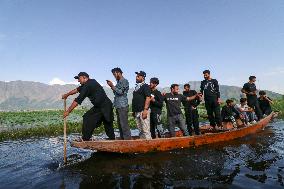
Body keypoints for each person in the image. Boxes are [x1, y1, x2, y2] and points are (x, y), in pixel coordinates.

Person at [62, 72, 115, 141]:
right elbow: (77, 90)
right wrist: (67, 94)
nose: (78, 81)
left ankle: (86, 139)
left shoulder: (88, 85)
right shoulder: (89, 83)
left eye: (79, 78)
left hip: (105, 106)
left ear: (84, 77)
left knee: (103, 122)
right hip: (100, 106)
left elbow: (78, 100)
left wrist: (68, 111)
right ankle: (110, 139)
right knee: (91, 118)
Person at [106, 67, 132, 140]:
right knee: (120, 124)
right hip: (118, 106)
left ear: (119, 73)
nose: (114, 76)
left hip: (123, 105)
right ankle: (123, 140)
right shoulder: (118, 82)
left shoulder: (124, 81)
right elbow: (116, 92)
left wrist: (112, 86)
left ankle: (127, 141)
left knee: (124, 125)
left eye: (114, 74)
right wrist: (112, 87)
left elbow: (121, 92)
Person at [132, 71, 152, 139]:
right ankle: (143, 146)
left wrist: (145, 110)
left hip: (143, 111)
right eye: (136, 76)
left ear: (143, 77)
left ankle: (150, 147)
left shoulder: (145, 86)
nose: (136, 77)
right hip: (137, 111)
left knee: (146, 130)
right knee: (140, 131)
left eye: (138, 76)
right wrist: (133, 111)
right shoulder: (136, 87)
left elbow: (148, 98)